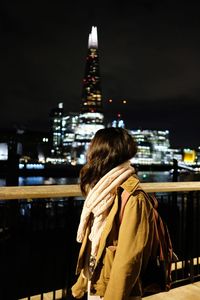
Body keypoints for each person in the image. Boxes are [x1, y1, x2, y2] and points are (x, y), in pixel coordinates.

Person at [71, 127, 155, 300]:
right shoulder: (101, 192)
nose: (88, 154)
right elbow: (94, 242)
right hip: (96, 280)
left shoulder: (133, 197)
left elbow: (128, 259)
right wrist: (82, 282)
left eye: (92, 149)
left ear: (104, 153)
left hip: (113, 290)